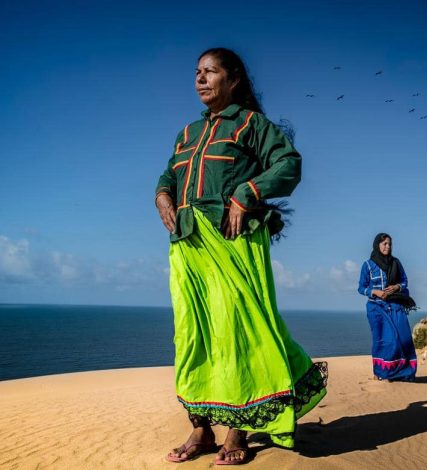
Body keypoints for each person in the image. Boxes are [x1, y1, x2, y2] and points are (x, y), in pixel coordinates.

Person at [155, 47, 327, 465]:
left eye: (210, 72)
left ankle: (238, 430)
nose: (200, 79)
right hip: (188, 246)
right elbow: (169, 172)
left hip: (234, 242)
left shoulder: (253, 124)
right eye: (197, 72)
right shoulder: (187, 132)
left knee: (239, 333)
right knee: (193, 335)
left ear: (234, 80)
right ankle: (201, 428)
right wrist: (162, 195)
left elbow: (289, 165)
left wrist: (245, 194)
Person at [358, 233, 418, 381]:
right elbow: (361, 288)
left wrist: (397, 287)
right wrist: (375, 292)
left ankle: (404, 373)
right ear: (377, 245)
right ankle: (382, 372)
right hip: (376, 308)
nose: (387, 246)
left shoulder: (396, 262)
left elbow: (404, 281)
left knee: (403, 339)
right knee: (384, 340)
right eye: (384, 243)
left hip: (395, 306)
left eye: (390, 244)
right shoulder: (368, 265)